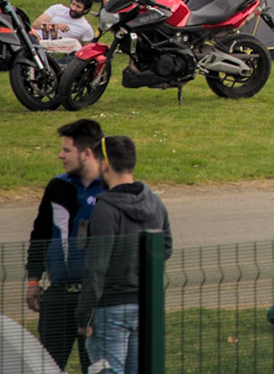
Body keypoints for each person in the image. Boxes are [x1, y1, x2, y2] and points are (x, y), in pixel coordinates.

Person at [76, 136, 172, 374]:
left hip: (110, 308)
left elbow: (96, 266)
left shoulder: (105, 209)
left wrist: (84, 315)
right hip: (145, 304)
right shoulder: (155, 202)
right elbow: (165, 247)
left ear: (105, 165)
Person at [26, 119, 107, 373]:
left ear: (87, 153)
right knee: (46, 367)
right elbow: (40, 234)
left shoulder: (111, 190)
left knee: (94, 368)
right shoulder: (57, 186)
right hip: (58, 297)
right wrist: (33, 280)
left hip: (96, 300)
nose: (60, 155)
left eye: (66, 150)